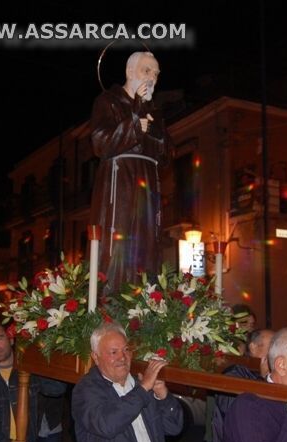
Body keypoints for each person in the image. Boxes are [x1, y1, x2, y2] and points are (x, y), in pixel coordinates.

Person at [90, 51, 171, 294]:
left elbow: (167, 154)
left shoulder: (155, 113)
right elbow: (99, 143)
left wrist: (153, 133)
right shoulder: (108, 101)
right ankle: (112, 295)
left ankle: (145, 301)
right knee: (118, 243)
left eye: (156, 74)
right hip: (119, 183)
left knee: (146, 243)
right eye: (147, 71)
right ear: (129, 72)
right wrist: (135, 122)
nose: (152, 78)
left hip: (147, 183)